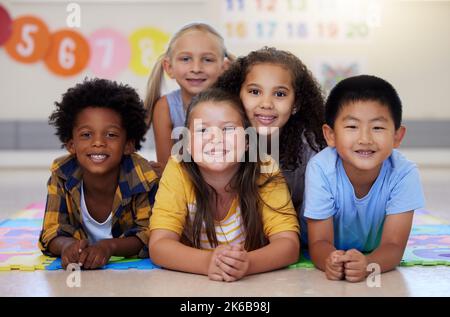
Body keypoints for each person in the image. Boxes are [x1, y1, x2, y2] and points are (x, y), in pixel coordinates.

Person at [148, 88, 299, 282]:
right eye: (203, 130)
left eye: (227, 129)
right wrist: (208, 262)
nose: (216, 139)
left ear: (247, 141)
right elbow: (159, 245)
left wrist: (248, 264)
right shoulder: (178, 168)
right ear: (186, 143)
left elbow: (288, 244)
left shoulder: (265, 168)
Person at [304, 75, 425, 282]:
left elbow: (394, 246)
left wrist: (369, 265)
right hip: (324, 246)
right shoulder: (320, 169)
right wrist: (329, 261)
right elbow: (319, 243)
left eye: (377, 128)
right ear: (330, 135)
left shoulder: (404, 174)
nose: (365, 139)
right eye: (352, 127)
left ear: (397, 136)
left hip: (374, 250)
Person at [39, 78, 158, 269]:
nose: (98, 143)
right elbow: (50, 232)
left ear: (128, 145)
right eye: (86, 135)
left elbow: (149, 234)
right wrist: (67, 246)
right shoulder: (61, 175)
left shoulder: (143, 178)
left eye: (111, 135)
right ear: (71, 144)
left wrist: (109, 247)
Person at [214, 47, 326, 246]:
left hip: (293, 241)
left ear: (296, 104)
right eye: (255, 91)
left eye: (280, 94)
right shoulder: (219, 144)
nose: (266, 103)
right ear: (236, 95)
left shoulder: (312, 148)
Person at [144, 22, 233, 176]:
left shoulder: (234, 106)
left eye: (207, 60)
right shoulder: (165, 108)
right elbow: (168, 172)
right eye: (186, 59)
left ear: (224, 67)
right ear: (169, 67)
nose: (196, 68)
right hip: (181, 190)